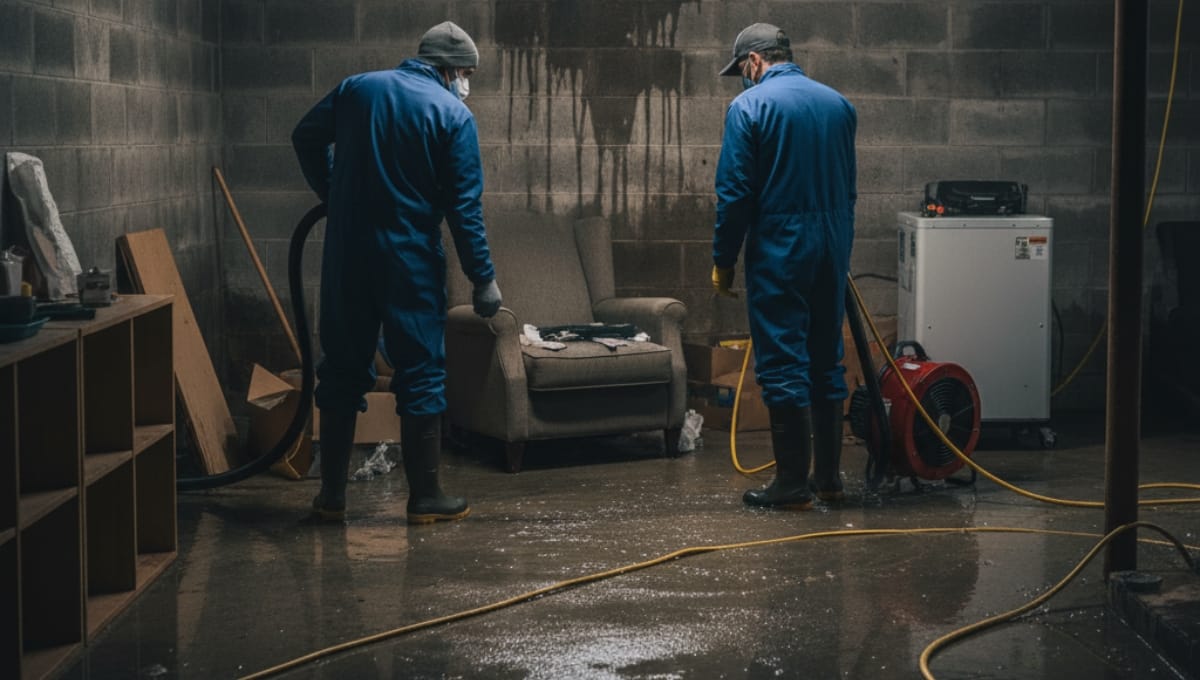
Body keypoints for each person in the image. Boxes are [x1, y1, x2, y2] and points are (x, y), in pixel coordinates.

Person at [292, 21, 501, 524]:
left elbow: (304, 137)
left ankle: (332, 498)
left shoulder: (357, 88)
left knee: (342, 368)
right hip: (408, 257)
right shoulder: (452, 114)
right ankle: (426, 498)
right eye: (466, 73)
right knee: (421, 370)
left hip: (347, 253)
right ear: (451, 70)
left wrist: (333, 195)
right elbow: (463, 209)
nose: (466, 82)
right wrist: (483, 278)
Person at [711, 23, 858, 510]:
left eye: (742, 71)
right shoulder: (838, 104)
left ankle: (792, 485)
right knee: (826, 357)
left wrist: (723, 261)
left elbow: (734, 196)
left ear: (754, 62)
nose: (742, 80)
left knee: (782, 362)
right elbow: (849, 187)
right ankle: (830, 479)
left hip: (781, 245)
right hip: (834, 242)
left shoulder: (749, 107)